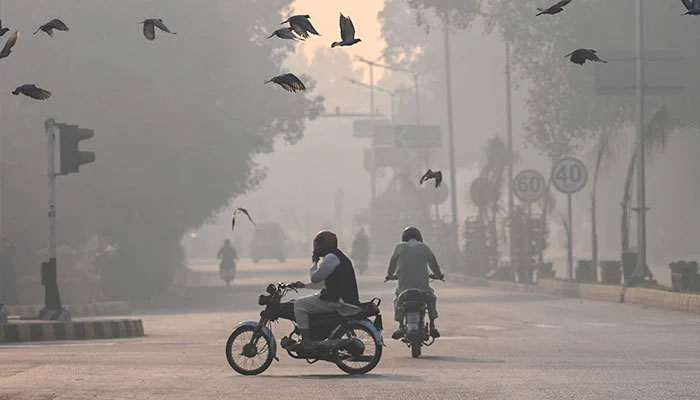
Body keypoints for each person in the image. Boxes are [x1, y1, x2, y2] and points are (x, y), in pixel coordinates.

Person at [292, 230, 361, 353]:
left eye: (318, 244)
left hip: (339, 300)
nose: (316, 247)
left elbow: (315, 278)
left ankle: (306, 342)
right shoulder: (337, 256)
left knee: (299, 305)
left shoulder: (331, 258)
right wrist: (304, 286)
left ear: (325, 244)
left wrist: (314, 262)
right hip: (342, 298)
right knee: (311, 299)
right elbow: (325, 283)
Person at [386, 227, 444, 340]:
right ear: (419, 238)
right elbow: (433, 262)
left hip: (404, 291)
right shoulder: (425, 248)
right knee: (431, 299)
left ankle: (401, 326)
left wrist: (390, 275)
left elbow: (392, 263)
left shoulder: (399, 248)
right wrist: (438, 275)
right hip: (423, 291)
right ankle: (432, 326)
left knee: (397, 301)